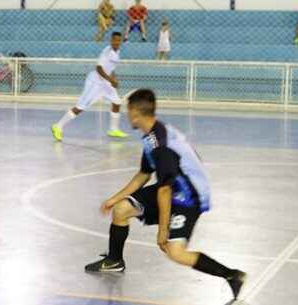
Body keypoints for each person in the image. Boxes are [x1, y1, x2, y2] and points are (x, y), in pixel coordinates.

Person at [84, 89, 247, 303]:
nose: (126, 116)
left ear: (135, 112)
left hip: (189, 196)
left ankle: (232, 275)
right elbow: (143, 174)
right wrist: (114, 199)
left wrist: (163, 230)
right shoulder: (151, 136)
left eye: (127, 111)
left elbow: (164, 190)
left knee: (175, 252)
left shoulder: (161, 144)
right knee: (121, 209)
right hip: (173, 187)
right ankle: (115, 260)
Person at [52, 32, 128, 142]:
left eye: (118, 40)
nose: (116, 42)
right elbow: (99, 69)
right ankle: (58, 126)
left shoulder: (117, 52)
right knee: (81, 107)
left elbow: (110, 68)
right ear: (111, 40)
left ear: (120, 41)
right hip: (95, 82)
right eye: (114, 40)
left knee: (117, 102)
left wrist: (113, 78)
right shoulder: (107, 52)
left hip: (105, 83)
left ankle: (113, 129)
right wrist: (111, 80)